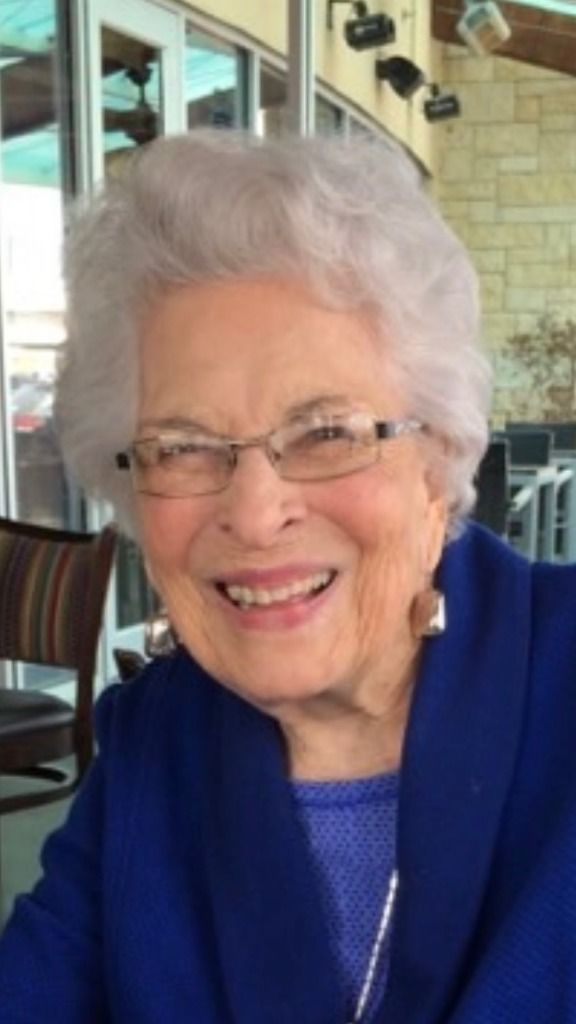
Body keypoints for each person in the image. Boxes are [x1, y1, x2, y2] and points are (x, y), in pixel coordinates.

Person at [0, 129, 575, 1024]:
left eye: (326, 433)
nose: (256, 512)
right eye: (182, 447)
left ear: (438, 463)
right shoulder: (155, 744)